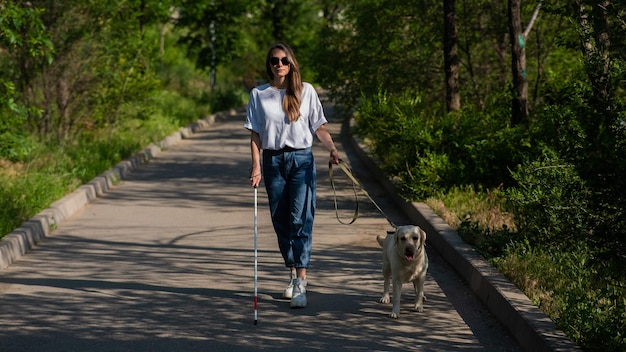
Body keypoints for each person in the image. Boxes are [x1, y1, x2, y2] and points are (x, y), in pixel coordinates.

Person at [244, 42, 340, 308]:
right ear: (269, 64)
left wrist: (332, 148)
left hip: (301, 160)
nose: (279, 65)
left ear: (292, 63)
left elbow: (318, 127)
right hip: (273, 161)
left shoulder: (305, 91)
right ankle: (292, 271)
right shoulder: (259, 94)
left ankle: (300, 281)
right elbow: (255, 133)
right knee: (280, 221)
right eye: (274, 61)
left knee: (300, 219)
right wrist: (256, 166)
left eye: (284, 60)